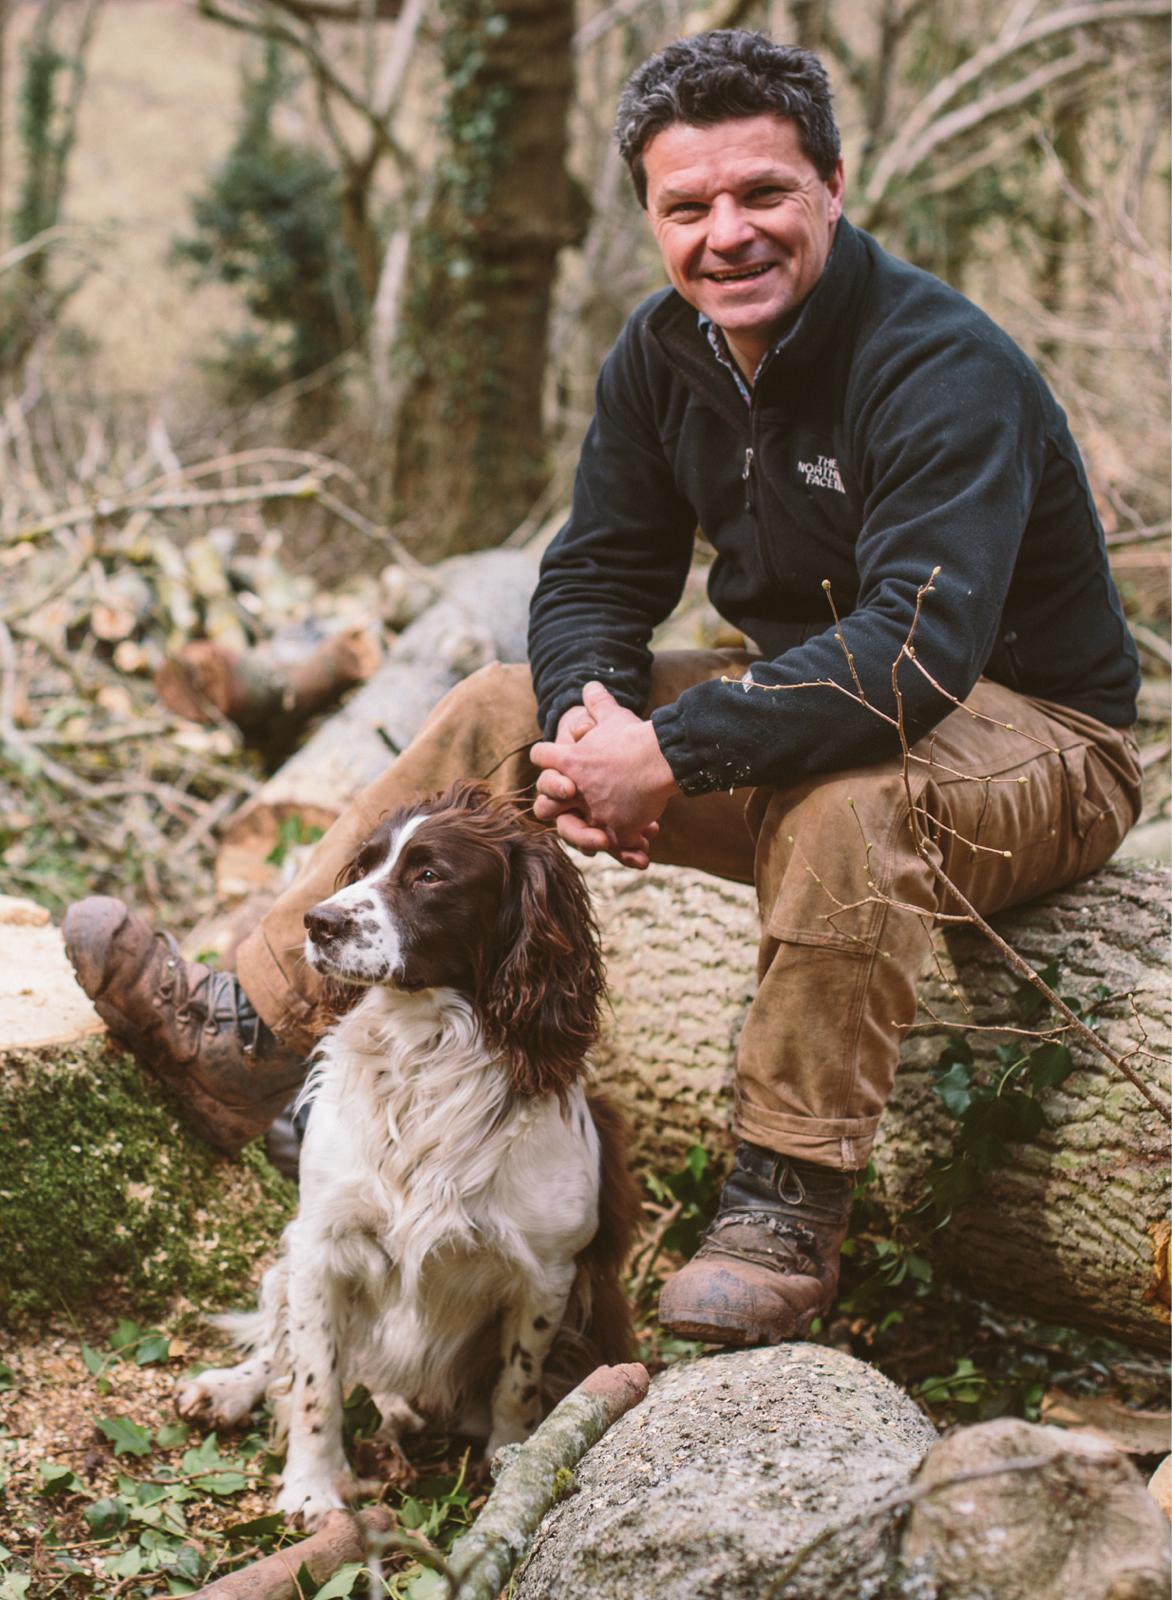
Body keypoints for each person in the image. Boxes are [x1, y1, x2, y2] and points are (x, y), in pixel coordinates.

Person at [65, 30, 1141, 1347]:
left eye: (762, 194)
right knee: (498, 704)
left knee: (854, 793)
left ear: (835, 188)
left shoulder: (938, 367)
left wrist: (675, 752)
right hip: (810, 705)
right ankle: (253, 1031)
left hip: (1038, 744)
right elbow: (592, 577)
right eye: (688, 207)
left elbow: (911, 658)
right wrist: (592, 726)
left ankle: (785, 1205)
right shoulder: (661, 355)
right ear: (650, 213)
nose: (726, 233)